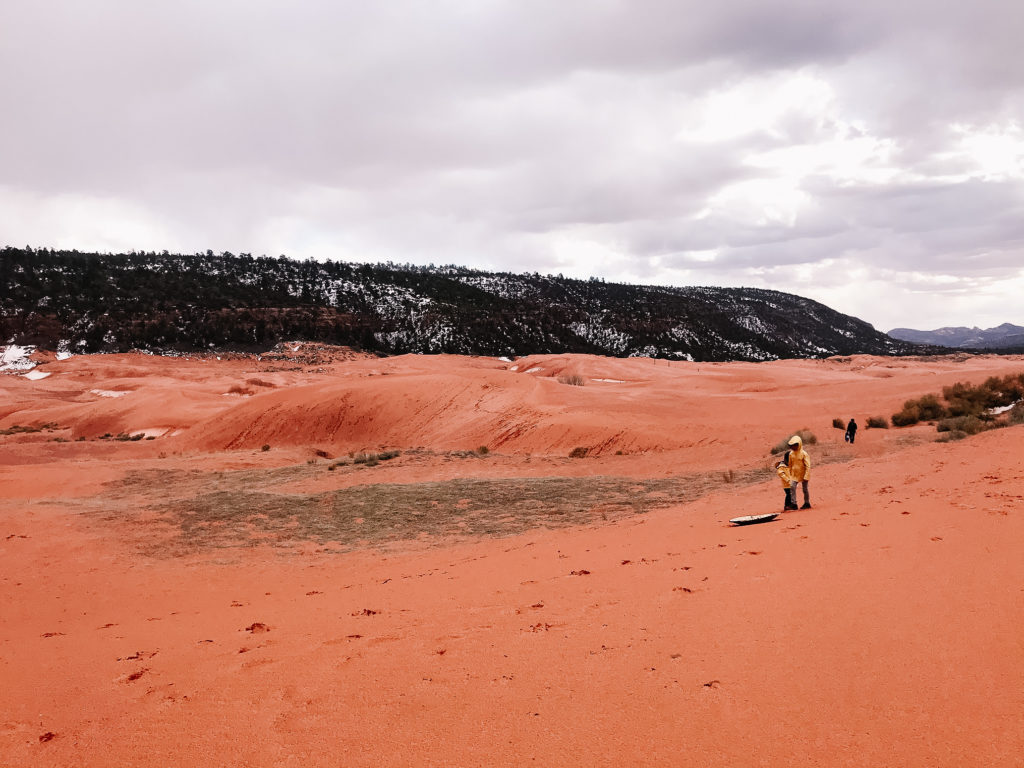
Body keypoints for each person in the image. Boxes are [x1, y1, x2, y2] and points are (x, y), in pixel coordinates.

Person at [786, 435, 812, 509]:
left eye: (794, 445)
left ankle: (807, 503)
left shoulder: (804, 454)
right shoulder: (791, 454)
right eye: (791, 446)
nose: (792, 447)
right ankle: (794, 504)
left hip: (803, 474)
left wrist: (806, 475)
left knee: (805, 489)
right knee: (792, 487)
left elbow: (808, 465)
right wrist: (789, 473)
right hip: (794, 475)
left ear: (798, 445)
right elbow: (790, 465)